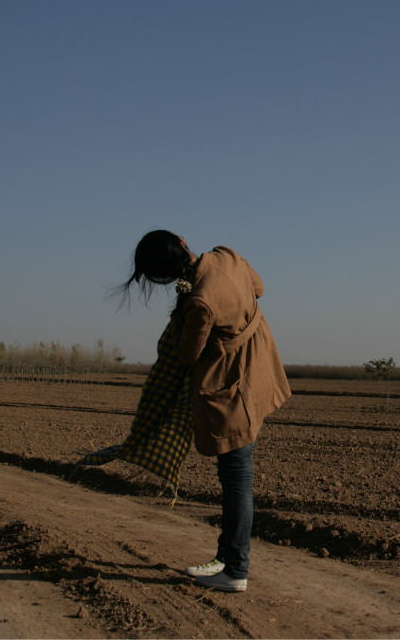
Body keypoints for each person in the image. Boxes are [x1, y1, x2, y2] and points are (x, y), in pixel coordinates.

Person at [117, 230, 291, 593]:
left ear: (163, 275)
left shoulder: (197, 301)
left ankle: (236, 569)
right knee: (234, 476)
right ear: (183, 242)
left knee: (237, 478)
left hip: (231, 389)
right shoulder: (227, 256)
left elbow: (187, 354)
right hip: (257, 368)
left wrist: (185, 320)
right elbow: (259, 288)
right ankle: (225, 559)